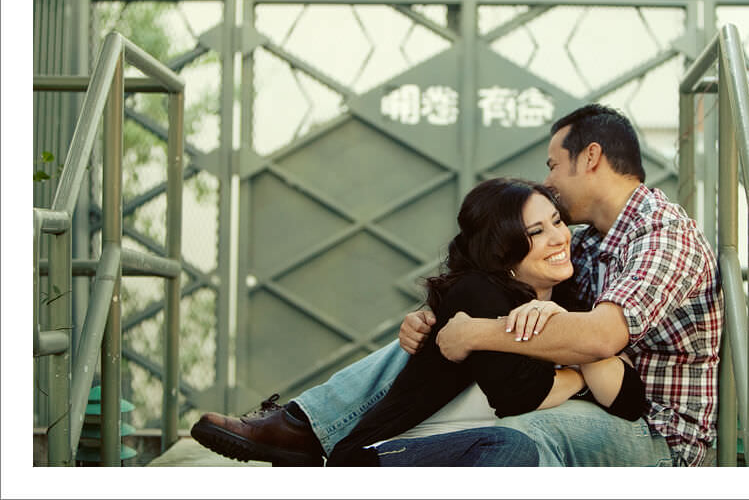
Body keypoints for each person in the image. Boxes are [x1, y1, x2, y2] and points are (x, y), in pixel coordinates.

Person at [192, 103, 722, 467]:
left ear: (591, 158)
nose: (550, 183)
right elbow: (511, 288)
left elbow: (602, 335)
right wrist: (438, 315)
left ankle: (354, 466)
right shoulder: (589, 242)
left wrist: (475, 333)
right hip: (597, 399)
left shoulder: (662, 236)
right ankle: (305, 425)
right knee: (448, 337)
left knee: (514, 444)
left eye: (554, 166)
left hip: (656, 435)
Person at [192, 178, 646, 466]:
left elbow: (626, 400)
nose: (560, 238)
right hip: (382, 459)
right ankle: (301, 427)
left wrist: (566, 327)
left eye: (557, 222)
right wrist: (580, 361)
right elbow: (520, 395)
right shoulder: (478, 294)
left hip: (463, 458)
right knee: (513, 448)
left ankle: (297, 427)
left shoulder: (569, 302)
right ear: (501, 248)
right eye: (536, 232)